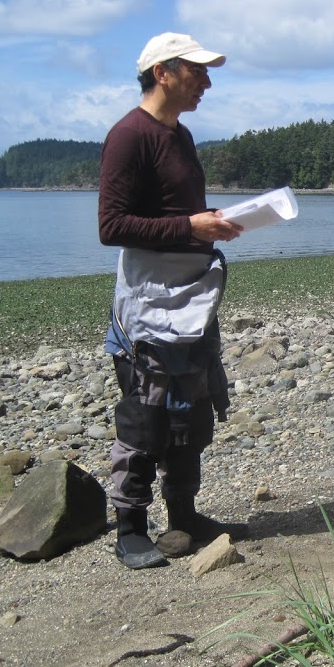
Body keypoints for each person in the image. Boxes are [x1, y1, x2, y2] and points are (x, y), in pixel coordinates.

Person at [99, 33, 243, 569]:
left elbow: (180, 219)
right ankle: (130, 526)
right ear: (163, 72)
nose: (207, 81)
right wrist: (191, 225)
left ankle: (183, 514)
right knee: (147, 411)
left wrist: (211, 228)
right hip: (149, 303)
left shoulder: (180, 135)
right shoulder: (128, 136)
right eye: (197, 71)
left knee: (194, 403)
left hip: (194, 297)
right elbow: (111, 226)